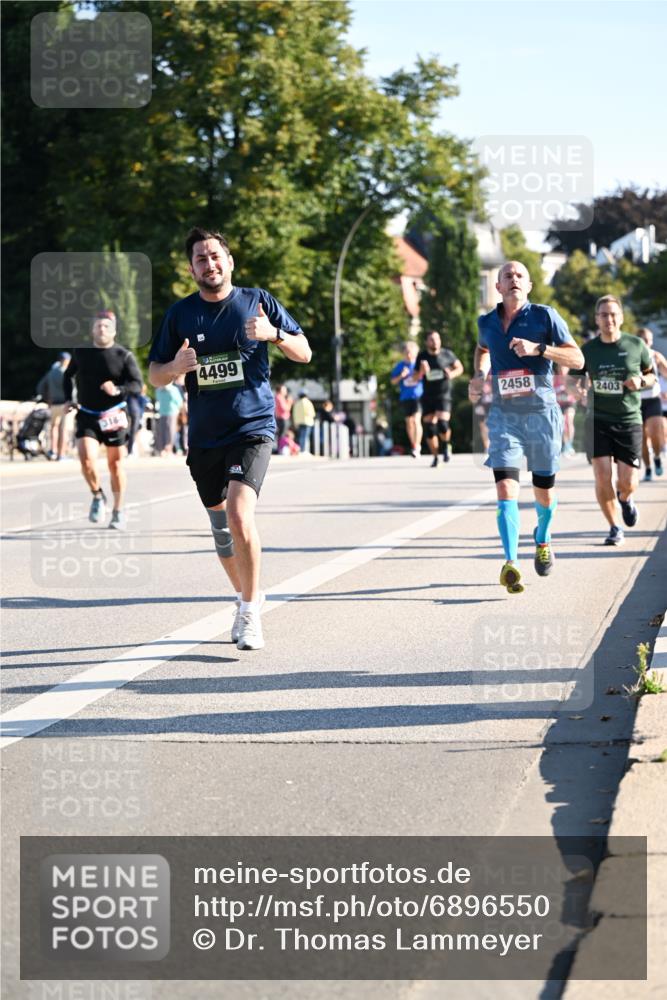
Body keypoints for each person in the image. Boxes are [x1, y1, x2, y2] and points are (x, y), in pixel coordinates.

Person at [148, 227, 311, 650]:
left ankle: (251, 612)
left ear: (230, 261)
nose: (210, 264)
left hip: (251, 428)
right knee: (222, 531)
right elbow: (154, 373)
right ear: (192, 269)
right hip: (204, 436)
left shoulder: (258, 302)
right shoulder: (180, 315)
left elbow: (305, 351)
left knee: (240, 516)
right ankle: (247, 596)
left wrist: (273, 335)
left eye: (215, 256)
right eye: (201, 259)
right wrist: (176, 367)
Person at [469, 261, 584, 593]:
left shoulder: (545, 316)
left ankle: (543, 537)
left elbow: (577, 359)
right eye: (508, 275)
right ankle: (511, 563)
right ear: (498, 287)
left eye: (520, 275)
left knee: (543, 490)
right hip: (504, 415)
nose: (514, 279)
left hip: (542, 416)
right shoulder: (487, 322)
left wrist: (540, 349)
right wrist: (479, 374)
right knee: (506, 487)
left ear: (529, 286)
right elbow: (482, 348)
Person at [568, 297, 655, 546]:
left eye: (614, 314)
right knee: (601, 475)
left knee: (627, 482)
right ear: (597, 319)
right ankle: (615, 526)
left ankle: (626, 500)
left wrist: (640, 382)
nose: (609, 319)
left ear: (621, 317)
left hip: (629, 419)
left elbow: (652, 377)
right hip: (598, 420)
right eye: (604, 315)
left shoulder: (636, 344)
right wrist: (577, 391)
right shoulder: (588, 350)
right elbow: (572, 380)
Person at [64, 311, 142, 530]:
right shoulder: (81, 352)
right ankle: (97, 495)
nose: (102, 329)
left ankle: (118, 510)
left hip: (114, 415)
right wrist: (68, 399)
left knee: (115, 465)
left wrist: (118, 389)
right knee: (86, 459)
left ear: (114, 331)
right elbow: (67, 375)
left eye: (106, 326)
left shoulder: (123, 355)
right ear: (92, 330)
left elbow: (137, 384)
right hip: (87, 413)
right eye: (98, 326)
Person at [413, 330, 463, 466]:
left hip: (443, 395)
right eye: (431, 339)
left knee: (442, 424)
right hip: (428, 396)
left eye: (437, 339)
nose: (435, 342)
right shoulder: (421, 357)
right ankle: (435, 457)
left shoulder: (447, 354)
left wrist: (451, 374)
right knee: (429, 428)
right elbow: (415, 377)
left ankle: (446, 446)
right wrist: (422, 372)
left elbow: (460, 368)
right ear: (426, 342)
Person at [635, 328, 667, 480]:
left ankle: (657, 458)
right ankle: (647, 469)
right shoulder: (630, 356)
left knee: (655, 434)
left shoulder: (655, 356)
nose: (647, 343)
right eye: (644, 340)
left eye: (649, 340)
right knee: (641, 438)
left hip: (653, 400)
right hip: (636, 402)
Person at [389, 341, 423, 458]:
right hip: (405, 397)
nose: (408, 354)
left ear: (415, 352)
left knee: (416, 420)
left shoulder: (419, 364)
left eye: (411, 352)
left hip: (418, 396)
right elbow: (392, 381)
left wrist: (420, 374)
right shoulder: (400, 366)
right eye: (406, 352)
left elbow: (426, 377)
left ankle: (417, 446)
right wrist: (401, 376)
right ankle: (413, 445)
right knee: (409, 422)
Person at [36, 351, 71, 460]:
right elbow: (73, 389)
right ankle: (61, 454)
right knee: (64, 430)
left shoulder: (51, 373)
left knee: (54, 428)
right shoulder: (68, 373)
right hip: (66, 404)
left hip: (53, 404)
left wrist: (47, 399)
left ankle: (53, 451)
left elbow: (40, 387)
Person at [154, 380, 184, 456]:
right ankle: (163, 449)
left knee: (170, 431)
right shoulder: (159, 390)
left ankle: (169, 449)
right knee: (163, 431)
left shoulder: (173, 389)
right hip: (163, 412)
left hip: (172, 412)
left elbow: (179, 402)